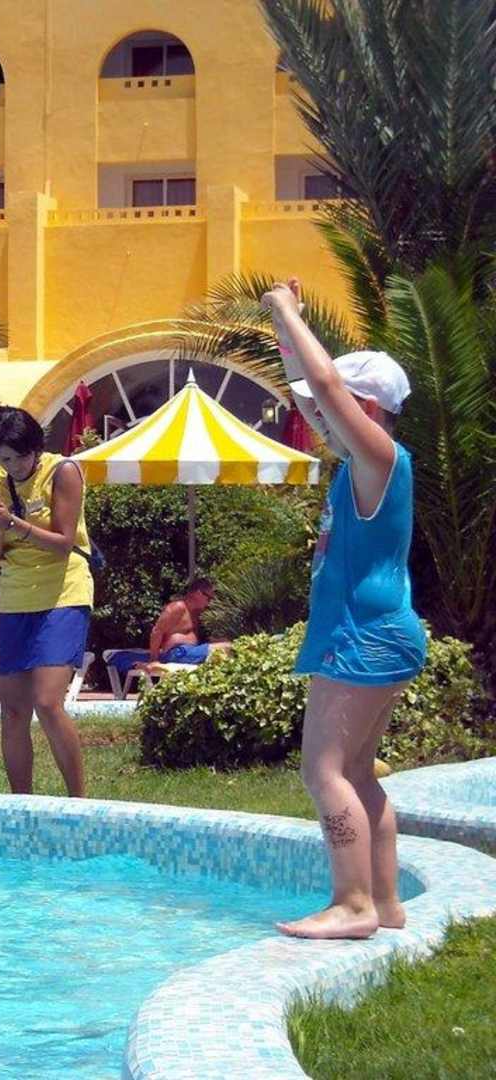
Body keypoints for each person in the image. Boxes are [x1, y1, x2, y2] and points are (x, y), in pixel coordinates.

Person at [263, 277, 425, 940]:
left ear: (366, 408)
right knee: (356, 770)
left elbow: (325, 386)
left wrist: (284, 308)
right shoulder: (363, 464)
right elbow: (316, 386)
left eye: (337, 410)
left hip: (364, 638)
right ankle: (384, 903)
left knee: (322, 770)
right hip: (376, 633)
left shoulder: (378, 457)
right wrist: (284, 329)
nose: (321, 418)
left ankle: (352, 904)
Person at [0, 406, 93, 797]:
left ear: (34, 450)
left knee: (47, 701)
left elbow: (64, 543)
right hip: (16, 597)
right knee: (12, 711)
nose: (10, 467)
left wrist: (14, 523)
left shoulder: (63, 472)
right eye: (3, 459)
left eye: (17, 458)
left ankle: (79, 802)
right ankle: (22, 804)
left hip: (63, 593)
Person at [147, 577, 231, 667]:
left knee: (227, 644)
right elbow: (157, 631)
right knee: (227, 647)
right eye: (209, 598)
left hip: (189, 651)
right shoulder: (178, 607)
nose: (210, 602)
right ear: (198, 593)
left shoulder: (196, 612)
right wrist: (153, 660)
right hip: (177, 653)